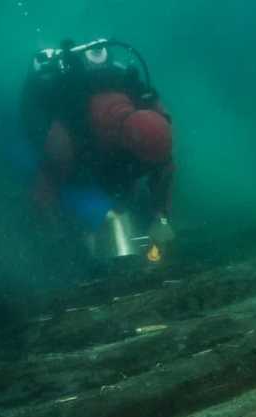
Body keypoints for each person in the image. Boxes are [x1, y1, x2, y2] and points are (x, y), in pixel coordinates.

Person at [21, 39, 176, 258]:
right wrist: (59, 242)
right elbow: (44, 191)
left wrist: (161, 218)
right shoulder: (69, 134)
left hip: (108, 160)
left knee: (123, 194)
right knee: (83, 193)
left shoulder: (151, 116)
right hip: (83, 162)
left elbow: (165, 168)